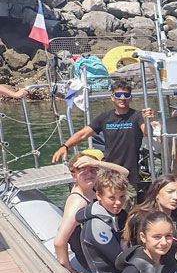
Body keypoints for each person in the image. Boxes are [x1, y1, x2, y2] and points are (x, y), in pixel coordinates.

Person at [51, 79, 154, 209]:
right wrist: (65, 146)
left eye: (126, 95)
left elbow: (147, 133)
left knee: (125, 211)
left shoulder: (138, 116)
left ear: (130, 97)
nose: (122, 98)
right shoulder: (105, 117)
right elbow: (83, 134)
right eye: (118, 95)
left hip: (129, 174)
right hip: (107, 171)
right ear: (112, 97)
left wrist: (148, 120)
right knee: (104, 207)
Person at [54, 150, 128, 273]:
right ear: (74, 175)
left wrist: (96, 163)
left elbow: (125, 173)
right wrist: (71, 270)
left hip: (105, 243)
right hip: (92, 258)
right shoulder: (78, 202)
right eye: (83, 170)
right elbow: (59, 241)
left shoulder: (93, 188)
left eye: (93, 170)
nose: (89, 174)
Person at [76, 170, 129, 273]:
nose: (118, 203)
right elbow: (120, 260)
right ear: (98, 195)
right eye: (112, 198)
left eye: (122, 197)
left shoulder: (115, 215)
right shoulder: (98, 225)